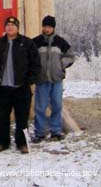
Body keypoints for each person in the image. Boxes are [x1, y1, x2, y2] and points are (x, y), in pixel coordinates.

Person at [0, 16, 41, 154]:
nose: (10, 27)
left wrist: (30, 80)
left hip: (21, 87)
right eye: (7, 25)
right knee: (2, 117)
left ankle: (22, 142)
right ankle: (2, 141)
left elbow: (36, 64)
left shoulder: (27, 43)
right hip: (3, 88)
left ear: (17, 27)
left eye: (13, 25)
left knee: (22, 118)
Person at [32, 15, 74, 143]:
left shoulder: (61, 42)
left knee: (56, 105)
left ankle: (55, 131)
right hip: (41, 79)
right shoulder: (36, 42)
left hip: (56, 79)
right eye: (45, 26)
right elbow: (30, 58)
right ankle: (40, 132)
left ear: (53, 28)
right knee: (40, 107)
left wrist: (61, 65)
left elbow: (70, 56)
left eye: (49, 27)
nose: (47, 29)